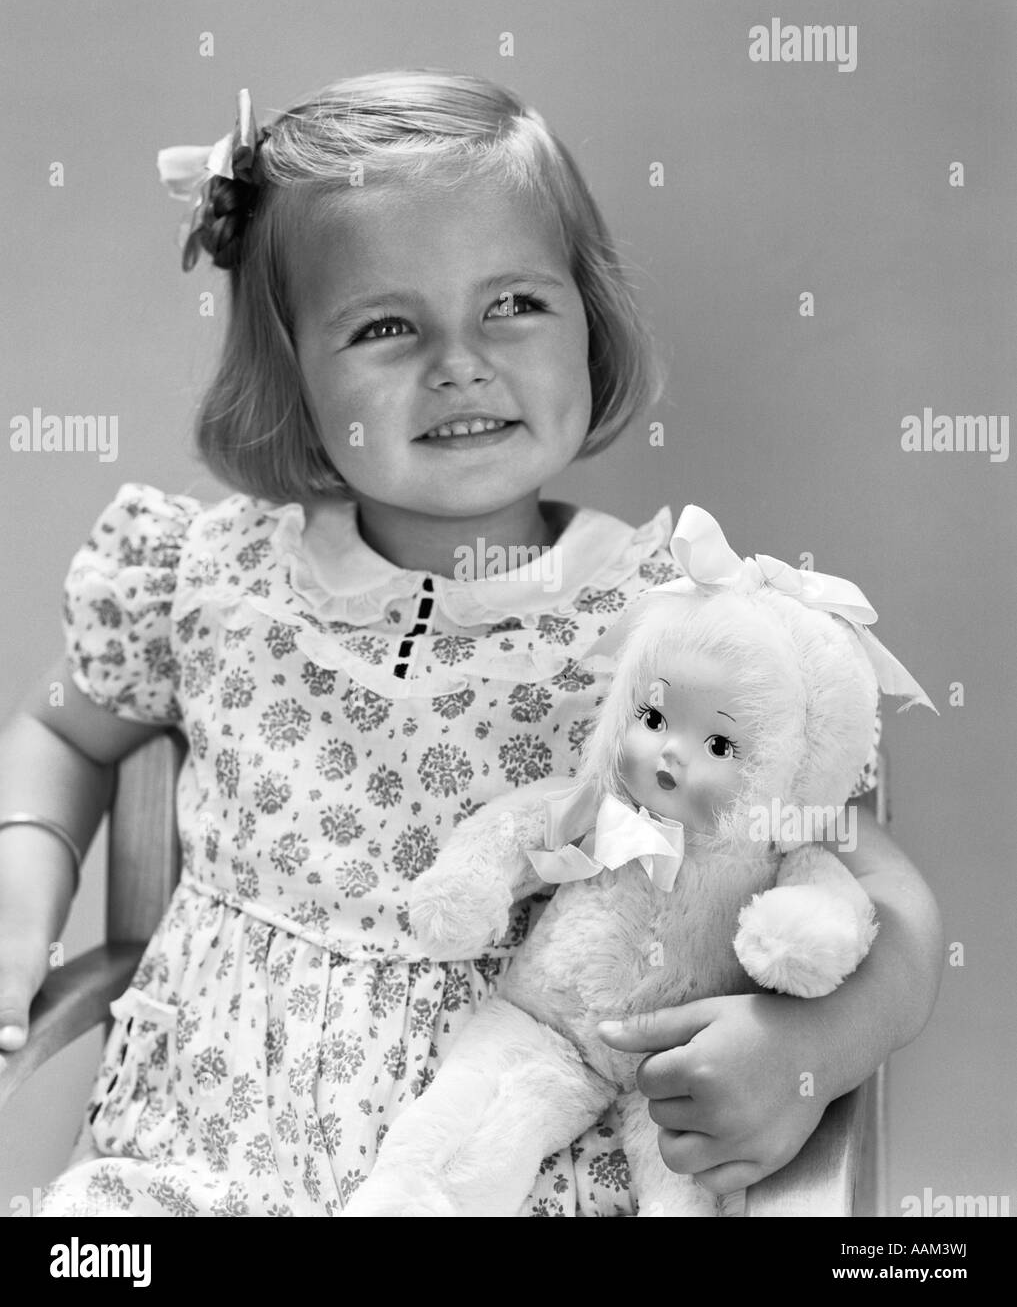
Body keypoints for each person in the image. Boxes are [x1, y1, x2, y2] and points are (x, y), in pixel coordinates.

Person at [0, 70, 942, 1217]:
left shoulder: (677, 622)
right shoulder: (213, 581)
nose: (460, 361)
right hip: (210, 1158)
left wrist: (809, 1051)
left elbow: (877, 889)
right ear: (290, 369)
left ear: (589, 320)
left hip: (521, 1165)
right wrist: (21, 892)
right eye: (386, 326)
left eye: (515, 305)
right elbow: (61, 727)